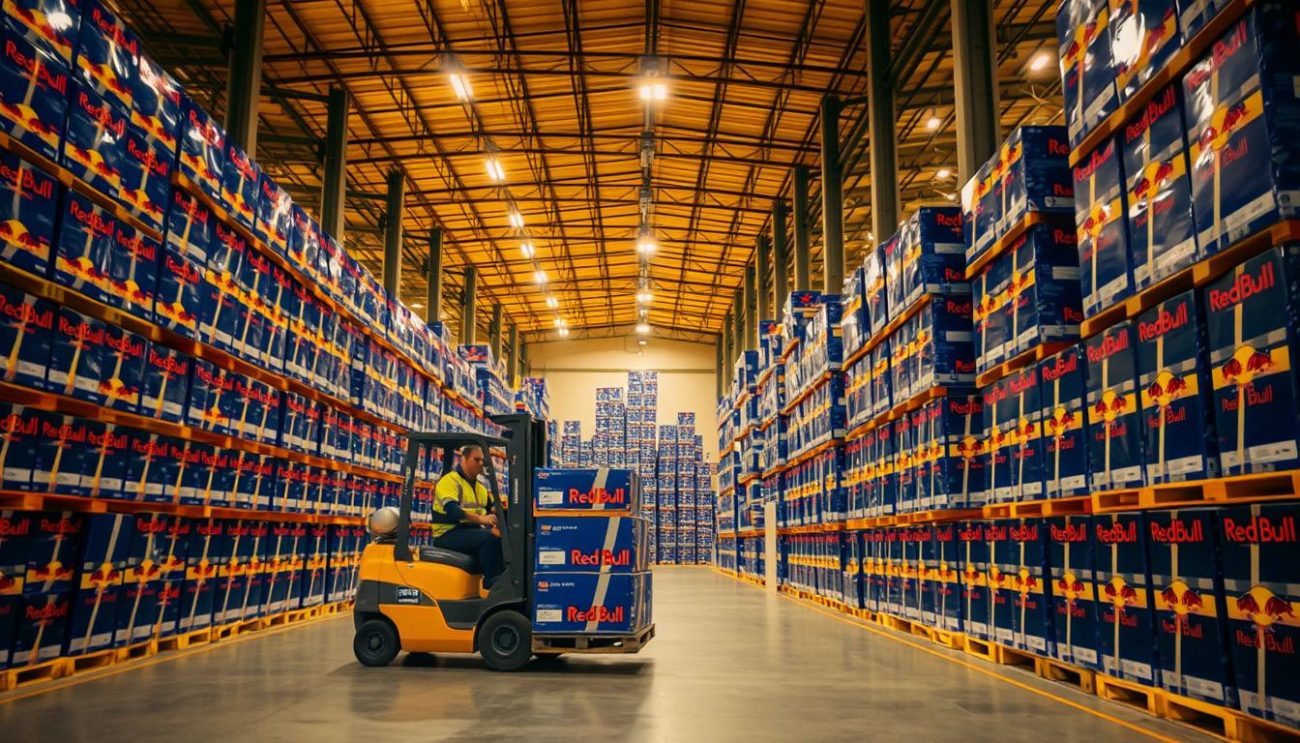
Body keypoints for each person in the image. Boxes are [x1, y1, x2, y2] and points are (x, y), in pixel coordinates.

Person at [430, 444, 503, 588]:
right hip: (447, 534)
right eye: (477, 460)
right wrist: (481, 519)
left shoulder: (480, 487)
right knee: (489, 538)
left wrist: (502, 515)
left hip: (468, 532)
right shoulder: (450, 481)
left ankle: (502, 579)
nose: (481, 464)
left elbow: (492, 507)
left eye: (483, 460)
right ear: (463, 459)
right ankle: (492, 583)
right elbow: (453, 510)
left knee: (502, 538)